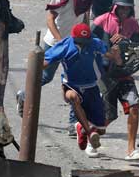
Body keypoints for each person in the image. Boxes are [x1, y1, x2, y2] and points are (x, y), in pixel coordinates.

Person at [16, 0, 100, 136]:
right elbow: (50, 19)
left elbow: (85, 15)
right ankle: (25, 95)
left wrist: (86, 36)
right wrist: (62, 43)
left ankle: (73, 123)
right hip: (55, 42)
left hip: (76, 42)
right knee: (45, 76)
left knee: (76, 81)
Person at [44, 23, 121, 157]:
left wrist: (116, 53)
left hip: (92, 86)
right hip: (71, 85)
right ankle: (88, 132)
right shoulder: (64, 45)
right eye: (80, 42)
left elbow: (112, 57)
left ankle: (82, 129)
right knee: (74, 98)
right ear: (73, 38)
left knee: (101, 130)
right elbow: (45, 61)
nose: (83, 45)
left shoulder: (95, 43)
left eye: (86, 42)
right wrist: (35, 65)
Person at [92, 0, 139, 160]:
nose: (124, 11)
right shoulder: (101, 21)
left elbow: (135, 49)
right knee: (109, 116)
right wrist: (107, 47)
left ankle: (131, 150)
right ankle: (89, 136)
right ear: (114, 7)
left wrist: (126, 42)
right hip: (105, 74)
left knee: (134, 106)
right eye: (121, 8)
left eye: (127, 8)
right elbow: (89, 43)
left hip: (124, 73)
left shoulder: (133, 24)